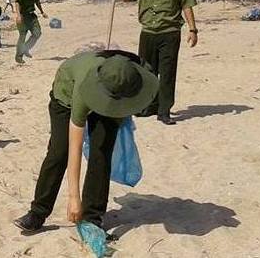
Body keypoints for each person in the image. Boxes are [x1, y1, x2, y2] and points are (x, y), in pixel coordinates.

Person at [14, 50, 158, 233]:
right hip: (66, 97)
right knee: (60, 152)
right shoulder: (83, 87)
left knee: (102, 152)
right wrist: (74, 198)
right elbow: (75, 147)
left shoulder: (136, 75)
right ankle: (37, 212)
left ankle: (92, 219)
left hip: (114, 92)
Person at [112, 0, 198, 125]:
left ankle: (164, 110)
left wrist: (193, 29)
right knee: (146, 72)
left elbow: (186, 6)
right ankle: (147, 106)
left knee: (167, 73)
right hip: (148, 33)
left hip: (170, 33)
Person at [15, 0, 47, 64]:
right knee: (22, 36)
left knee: (37, 33)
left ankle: (25, 48)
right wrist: (18, 15)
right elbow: (17, 2)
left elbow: (37, 1)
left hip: (32, 15)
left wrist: (42, 12)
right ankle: (18, 57)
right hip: (23, 16)